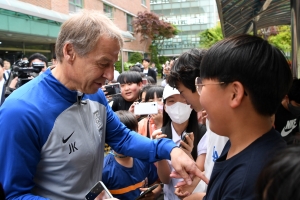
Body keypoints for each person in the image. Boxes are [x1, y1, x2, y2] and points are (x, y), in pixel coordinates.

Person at [0, 10, 206, 200]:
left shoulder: (94, 94)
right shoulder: (21, 112)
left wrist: (170, 149)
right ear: (70, 51)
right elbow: (15, 195)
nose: (109, 76)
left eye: (113, 65)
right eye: (102, 63)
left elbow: (122, 138)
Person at [182, 35, 291, 200]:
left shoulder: (248, 182)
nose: (200, 95)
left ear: (235, 93)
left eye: (202, 85)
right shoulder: (241, 145)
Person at [167, 49, 228, 198]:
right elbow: (213, 167)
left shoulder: (228, 126)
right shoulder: (211, 122)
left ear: (199, 84)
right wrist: (196, 182)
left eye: (182, 92)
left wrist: (200, 197)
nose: (184, 101)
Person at [152, 84, 206, 200]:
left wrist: (188, 154)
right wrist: (159, 151)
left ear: (191, 104)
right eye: (172, 101)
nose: (178, 106)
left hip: (196, 195)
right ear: (165, 106)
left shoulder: (202, 133)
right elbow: (165, 179)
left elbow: (199, 173)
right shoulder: (160, 135)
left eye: (184, 100)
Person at [102, 110, 162, 200]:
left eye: (131, 135)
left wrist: (153, 193)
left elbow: (156, 185)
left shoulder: (143, 159)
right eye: (120, 136)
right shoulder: (103, 169)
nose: (126, 140)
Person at [274, 78, 300, 144]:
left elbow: (295, 131)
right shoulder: (274, 112)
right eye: (297, 105)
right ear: (286, 98)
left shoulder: (296, 111)